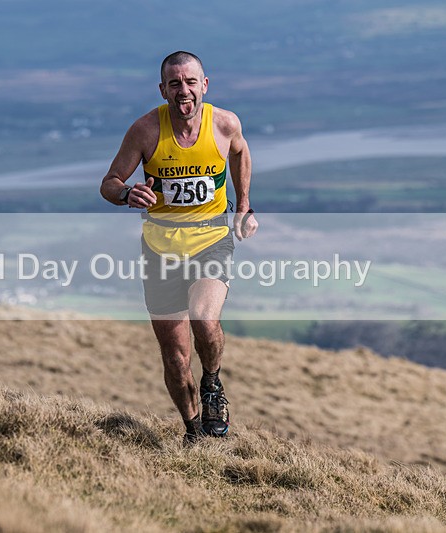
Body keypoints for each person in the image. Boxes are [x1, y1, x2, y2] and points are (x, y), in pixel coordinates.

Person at [100, 51, 258, 444]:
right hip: (160, 250)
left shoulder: (224, 123)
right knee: (174, 355)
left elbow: (240, 152)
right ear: (163, 89)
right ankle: (194, 431)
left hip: (211, 240)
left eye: (190, 82)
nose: (183, 91)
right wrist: (126, 193)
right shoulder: (145, 130)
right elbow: (109, 182)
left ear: (205, 85)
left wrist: (243, 206)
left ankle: (213, 384)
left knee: (205, 319)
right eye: (175, 84)